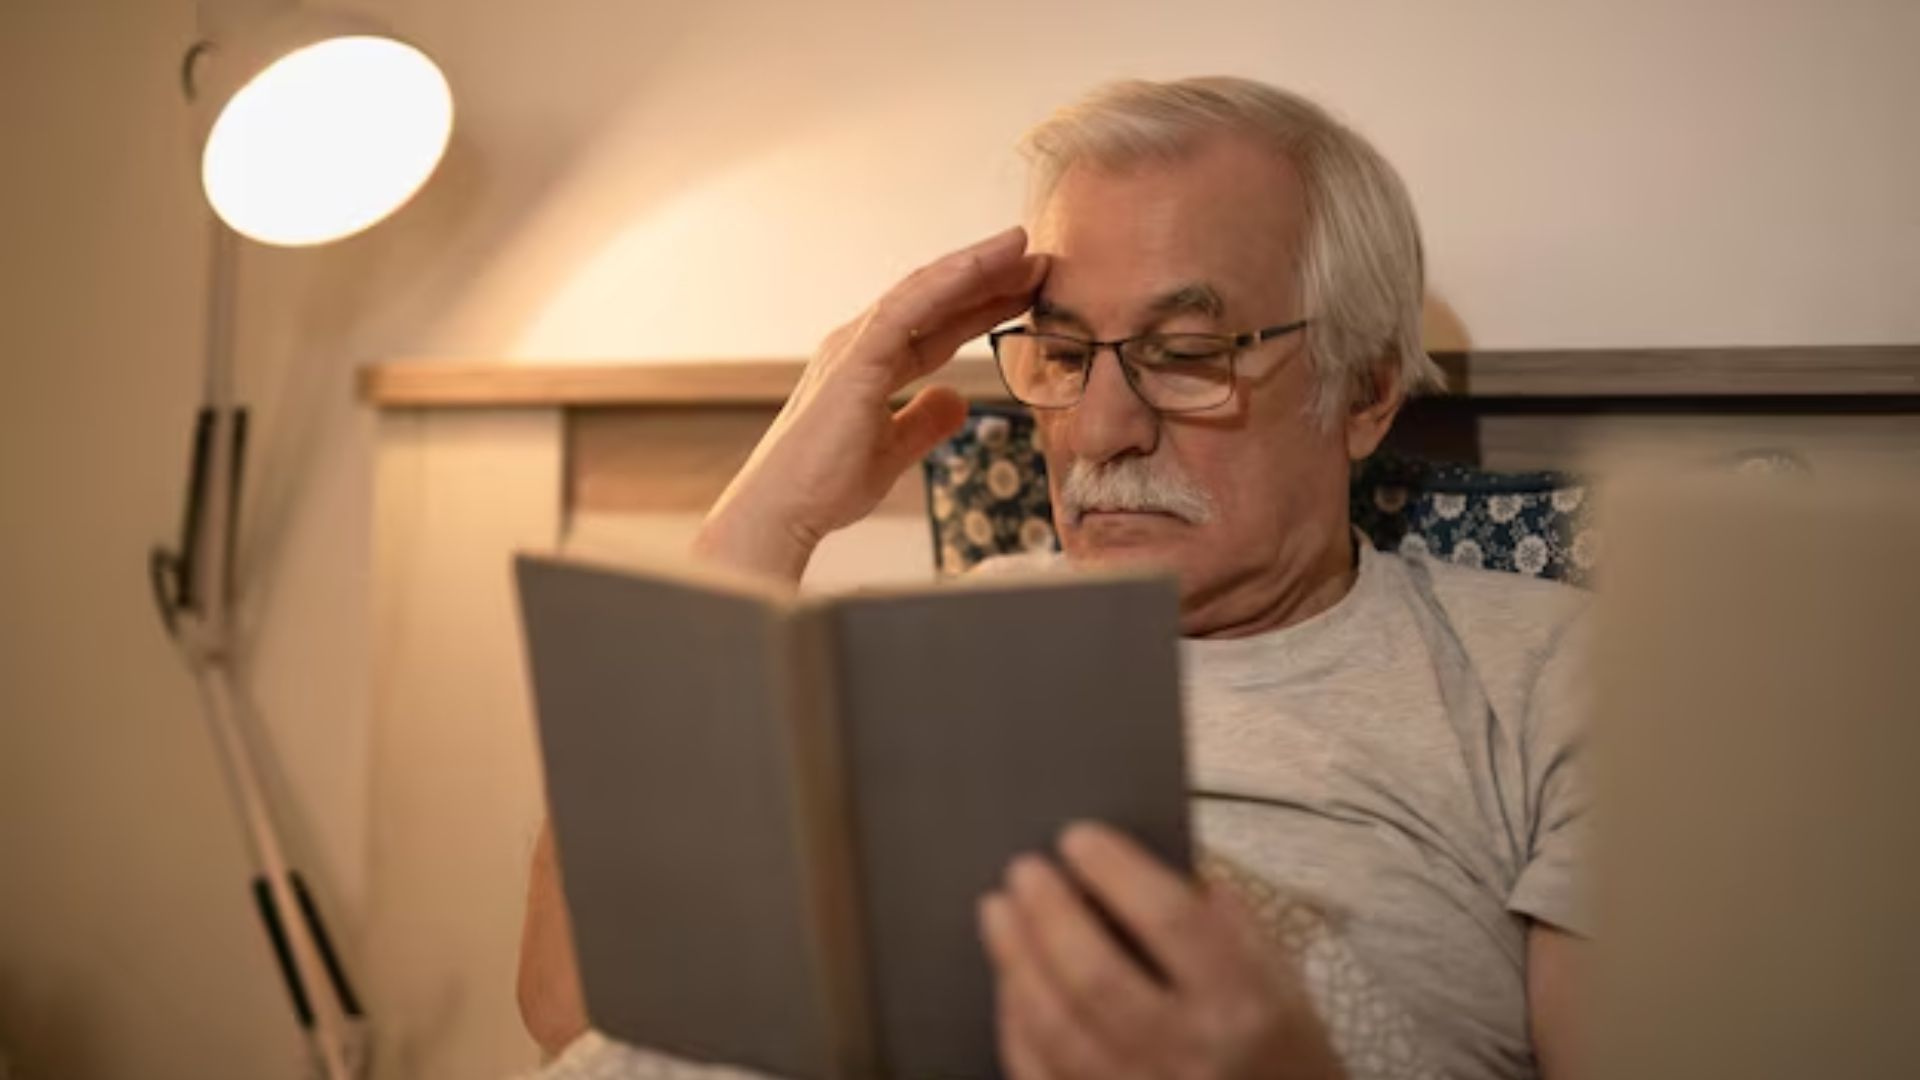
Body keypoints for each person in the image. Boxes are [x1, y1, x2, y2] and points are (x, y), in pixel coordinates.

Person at [519, 77, 1589, 1080]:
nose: (1100, 433)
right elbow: (581, 1016)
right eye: (1064, 356)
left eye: (1184, 352)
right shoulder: (888, 657)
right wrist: (768, 517)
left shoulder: (1554, 677)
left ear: (1362, 394)